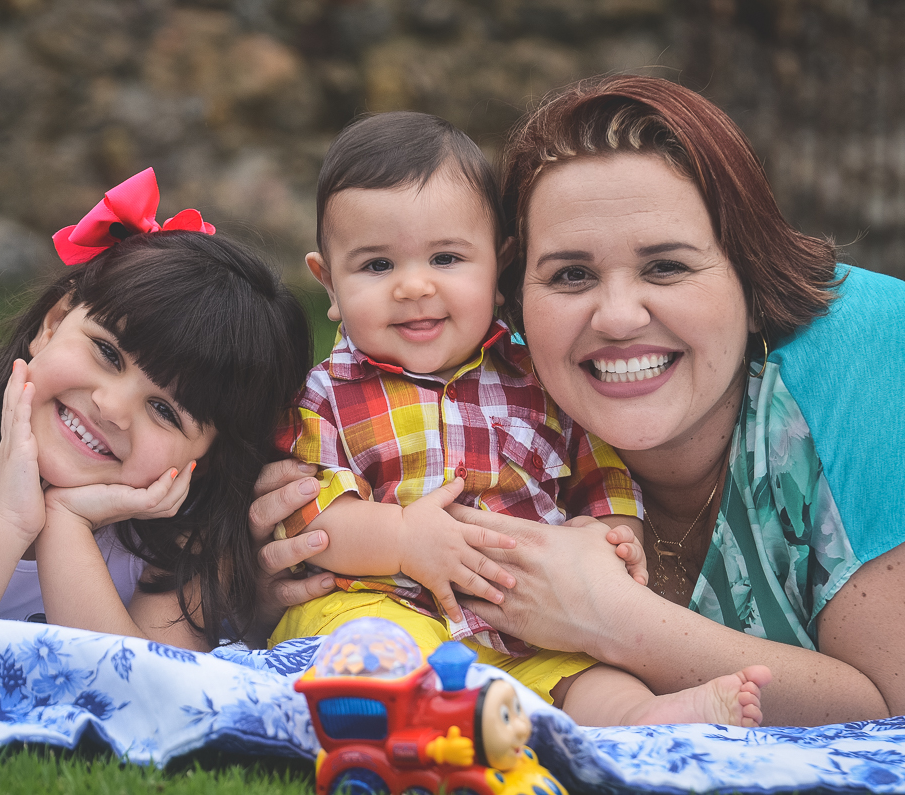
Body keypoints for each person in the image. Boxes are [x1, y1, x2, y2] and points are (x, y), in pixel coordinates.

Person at [412, 74, 905, 726]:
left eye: (666, 266)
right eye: (571, 274)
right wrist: (337, 540)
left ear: (751, 276)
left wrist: (607, 615)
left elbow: (901, 714)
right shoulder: (498, 395)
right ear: (516, 297)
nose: (617, 316)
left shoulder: (882, 357)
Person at [269, 110, 771, 727]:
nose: (414, 287)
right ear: (328, 283)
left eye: (446, 258)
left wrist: (613, 536)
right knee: (371, 652)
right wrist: (403, 540)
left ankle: (649, 717)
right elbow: (309, 514)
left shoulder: (538, 382)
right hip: (386, 603)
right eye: (377, 266)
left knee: (592, 678)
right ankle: (428, 724)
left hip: (524, 626)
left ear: (499, 267)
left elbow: (600, 471)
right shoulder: (324, 394)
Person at [0, 168, 313, 652]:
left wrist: (65, 521)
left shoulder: (195, 527)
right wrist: (9, 523)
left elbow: (142, 682)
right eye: (107, 353)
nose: (111, 407)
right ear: (54, 322)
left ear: (204, 460)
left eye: (165, 411)